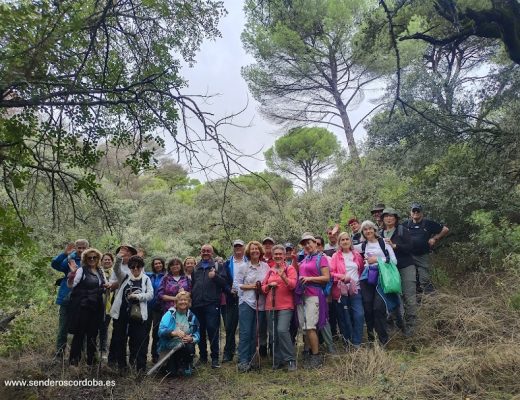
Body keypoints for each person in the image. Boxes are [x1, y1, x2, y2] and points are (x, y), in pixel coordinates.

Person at [109, 251, 153, 372]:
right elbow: (117, 268)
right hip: (122, 314)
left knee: (137, 341)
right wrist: (118, 257)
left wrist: (138, 297)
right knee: (120, 340)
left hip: (138, 315)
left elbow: (150, 295)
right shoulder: (125, 277)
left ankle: (139, 368)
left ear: (141, 267)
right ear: (129, 267)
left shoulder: (145, 279)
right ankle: (121, 367)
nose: (135, 268)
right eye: (132, 266)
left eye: (138, 266)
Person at [359, 220, 398, 345]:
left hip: (382, 278)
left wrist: (377, 259)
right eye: (365, 229)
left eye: (370, 228)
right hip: (367, 279)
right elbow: (344, 247)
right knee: (368, 309)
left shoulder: (384, 242)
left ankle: (383, 340)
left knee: (378, 308)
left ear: (375, 230)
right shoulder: (363, 245)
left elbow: (394, 261)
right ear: (363, 233)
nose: (368, 231)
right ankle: (372, 339)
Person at [66, 247, 106, 366]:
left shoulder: (100, 271)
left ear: (98, 258)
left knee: (93, 335)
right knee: (79, 334)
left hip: (96, 308)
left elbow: (102, 286)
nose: (92, 259)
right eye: (89, 258)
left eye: (94, 257)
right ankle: (74, 361)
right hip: (83, 308)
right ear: (85, 259)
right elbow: (71, 285)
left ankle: (91, 361)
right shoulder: (81, 270)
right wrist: (72, 274)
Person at [295, 233, 330, 368]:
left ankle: (316, 356)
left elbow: (326, 277)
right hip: (303, 294)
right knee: (305, 326)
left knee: (310, 326)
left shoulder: (321, 258)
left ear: (315, 243)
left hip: (314, 294)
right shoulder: (305, 259)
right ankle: (307, 352)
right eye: (304, 244)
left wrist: (309, 279)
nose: (307, 245)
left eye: (309, 242)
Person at [191, 244, 227, 369]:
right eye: (203, 251)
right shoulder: (196, 268)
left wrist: (215, 276)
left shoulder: (218, 266)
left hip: (212, 303)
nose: (205, 252)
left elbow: (224, 283)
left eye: (208, 251)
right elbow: (193, 284)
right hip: (197, 304)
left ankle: (215, 358)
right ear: (200, 252)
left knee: (213, 330)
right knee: (200, 331)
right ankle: (202, 357)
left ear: (212, 253)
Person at [234, 241, 269, 372]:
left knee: (256, 333)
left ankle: (253, 359)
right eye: (252, 249)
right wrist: (253, 287)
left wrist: (262, 288)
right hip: (246, 302)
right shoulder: (243, 267)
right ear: (249, 252)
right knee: (245, 332)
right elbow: (237, 285)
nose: (255, 251)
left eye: (257, 249)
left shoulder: (266, 267)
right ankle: (243, 361)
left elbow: (268, 282)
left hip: (260, 304)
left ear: (260, 251)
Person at [262, 244, 297, 371]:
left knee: (282, 330)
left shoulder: (290, 269)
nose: (277, 256)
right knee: (273, 334)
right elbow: (263, 287)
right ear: (272, 255)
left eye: (280, 254)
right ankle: (277, 360)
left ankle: (290, 360)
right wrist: (268, 286)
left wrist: (283, 277)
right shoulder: (270, 270)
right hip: (270, 306)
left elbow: (293, 285)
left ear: (284, 256)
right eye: (275, 254)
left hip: (285, 306)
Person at [382, 208, 417, 335]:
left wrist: (395, 246)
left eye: (391, 216)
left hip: (405, 267)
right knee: (392, 297)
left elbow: (410, 247)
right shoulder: (380, 233)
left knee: (409, 296)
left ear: (396, 218)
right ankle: (397, 325)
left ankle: (411, 326)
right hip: (390, 270)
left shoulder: (403, 231)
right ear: (383, 219)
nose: (389, 218)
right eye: (386, 216)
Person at [51, 239, 88, 357]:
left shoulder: (90, 260)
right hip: (66, 299)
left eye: (83, 248)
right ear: (76, 248)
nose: (81, 250)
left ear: (87, 248)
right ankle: (59, 355)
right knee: (63, 328)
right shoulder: (69, 260)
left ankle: (80, 355)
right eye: (79, 248)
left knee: (82, 329)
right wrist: (64, 254)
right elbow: (55, 264)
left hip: (83, 300)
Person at [403, 203, 449, 294]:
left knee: (424, 279)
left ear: (421, 213)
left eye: (418, 211)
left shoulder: (428, 223)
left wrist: (435, 238)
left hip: (422, 256)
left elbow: (445, 230)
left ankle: (432, 300)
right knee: (410, 279)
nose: (416, 212)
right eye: (414, 211)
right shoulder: (405, 224)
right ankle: (416, 299)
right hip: (409, 256)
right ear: (410, 213)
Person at [330, 233, 365, 348]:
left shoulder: (357, 255)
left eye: (347, 239)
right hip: (342, 290)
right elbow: (330, 273)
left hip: (356, 289)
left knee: (359, 315)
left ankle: (356, 342)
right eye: (342, 240)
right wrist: (342, 277)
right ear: (339, 243)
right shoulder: (336, 256)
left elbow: (361, 270)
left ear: (350, 241)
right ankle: (347, 342)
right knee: (345, 317)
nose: (345, 241)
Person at [107, 243, 138, 366]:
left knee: (131, 331)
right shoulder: (118, 266)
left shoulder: (136, 267)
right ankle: (113, 358)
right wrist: (117, 284)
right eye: (122, 253)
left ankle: (130, 359)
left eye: (128, 253)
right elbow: (112, 282)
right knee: (118, 331)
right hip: (119, 299)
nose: (125, 255)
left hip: (134, 301)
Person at [158, 291, 200, 377]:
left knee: (190, 346)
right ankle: (171, 364)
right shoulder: (169, 314)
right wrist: (173, 333)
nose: (183, 302)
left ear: (188, 302)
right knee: (171, 374)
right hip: (169, 346)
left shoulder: (192, 316)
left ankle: (187, 365)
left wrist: (192, 338)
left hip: (184, 346)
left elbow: (197, 334)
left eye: (185, 300)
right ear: (176, 302)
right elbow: (160, 331)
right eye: (180, 300)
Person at [221, 240, 248, 363]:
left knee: (245, 327)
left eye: (240, 246)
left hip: (247, 297)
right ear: (233, 248)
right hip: (231, 298)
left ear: (244, 248)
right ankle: (228, 352)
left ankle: (243, 352)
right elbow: (223, 281)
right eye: (236, 246)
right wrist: (229, 290)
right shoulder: (226, 263)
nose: (238, 248)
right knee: (230, 327)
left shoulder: (249, 261)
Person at [315, 236, 337, 353]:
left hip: (324, 293)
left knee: (324, 319)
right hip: (311, 294)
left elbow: (330, 277)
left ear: (322, 247)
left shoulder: (326, 258)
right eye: (314, 244)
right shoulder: (307, 259)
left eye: (318, 244)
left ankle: (329, 345)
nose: (316, 246)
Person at [146, 257, 166, 364]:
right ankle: (143, 354)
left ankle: (155, 355)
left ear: (163, 264)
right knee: (145, 331)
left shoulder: (166, 276)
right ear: (153, 266)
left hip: (159, 308)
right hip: (148, 307)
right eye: (155, 264)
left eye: (159, 263)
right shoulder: (150, 276)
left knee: (156, 332)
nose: (158, 265)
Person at [99, 252, 114, 355]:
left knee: (105, 327)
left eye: (109, 259)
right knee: (95, 326)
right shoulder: (98, 272)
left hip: (110, 304)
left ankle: (103, 348)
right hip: (98, 302)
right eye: (105, 259)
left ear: (112, 262)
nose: (107, 261)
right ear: (101, 261)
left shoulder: (115, 273)